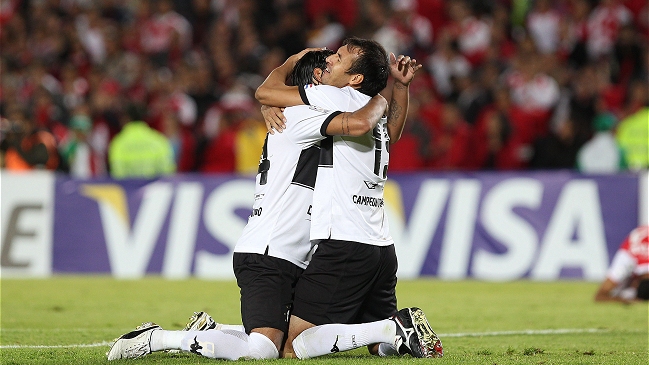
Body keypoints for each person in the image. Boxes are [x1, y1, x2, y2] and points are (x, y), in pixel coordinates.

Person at [107, 48, 392, 361]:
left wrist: (270, 101)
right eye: (325, 68)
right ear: (313, 84)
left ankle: (209, 330)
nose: (332, 67)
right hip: (270, 252)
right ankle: (157, 338)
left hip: (296, 254)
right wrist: (379, 99)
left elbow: (371, 135)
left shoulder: (303, 115)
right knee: (263, 351)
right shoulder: (300, 117)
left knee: (300, 337)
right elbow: (357, 122)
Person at [255, 37, 443, 359]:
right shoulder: (369, 103)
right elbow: (394, 132)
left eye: (339, 58)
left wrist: (287, 68)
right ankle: (391, 333)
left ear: (354, 78)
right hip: (381, 247)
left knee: (292, 346)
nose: (329, 60)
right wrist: (399, 87)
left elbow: (264, 90)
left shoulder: (335, 95)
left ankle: (392, 329)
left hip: (344, 242)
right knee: (378, 349)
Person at [107, 104, 176, 179]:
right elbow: (168, 172)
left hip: (129, 189)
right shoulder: (159, 140)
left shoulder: (118, 143)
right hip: (154, 189)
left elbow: (117, 174)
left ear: (126, 119)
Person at [594, 225, 649, 303]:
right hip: (635, 243)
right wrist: (624, 301)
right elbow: (599, 295)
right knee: (620, 291)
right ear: (636, 284)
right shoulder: (626, 260)